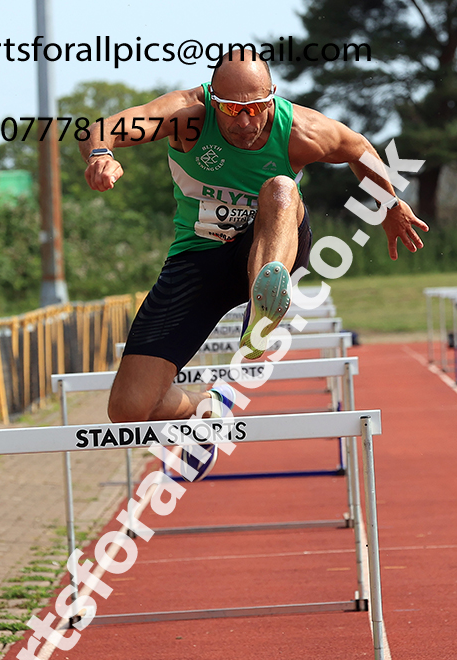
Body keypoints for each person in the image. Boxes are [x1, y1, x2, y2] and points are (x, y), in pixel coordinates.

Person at [79, 49, 428, 480]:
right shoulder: (187, 115)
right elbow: (105, 127)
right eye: (229, 110)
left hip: (273, 242)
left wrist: (390, 204)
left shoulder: (300, 130)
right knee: (128, 410)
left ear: (272, 97)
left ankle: (263, 311)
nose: (244, 122)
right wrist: (99, 154)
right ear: (211, 99)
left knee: (281, 188)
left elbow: (358, 149)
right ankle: (204, 413)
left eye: (255, 109)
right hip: (198, 259)